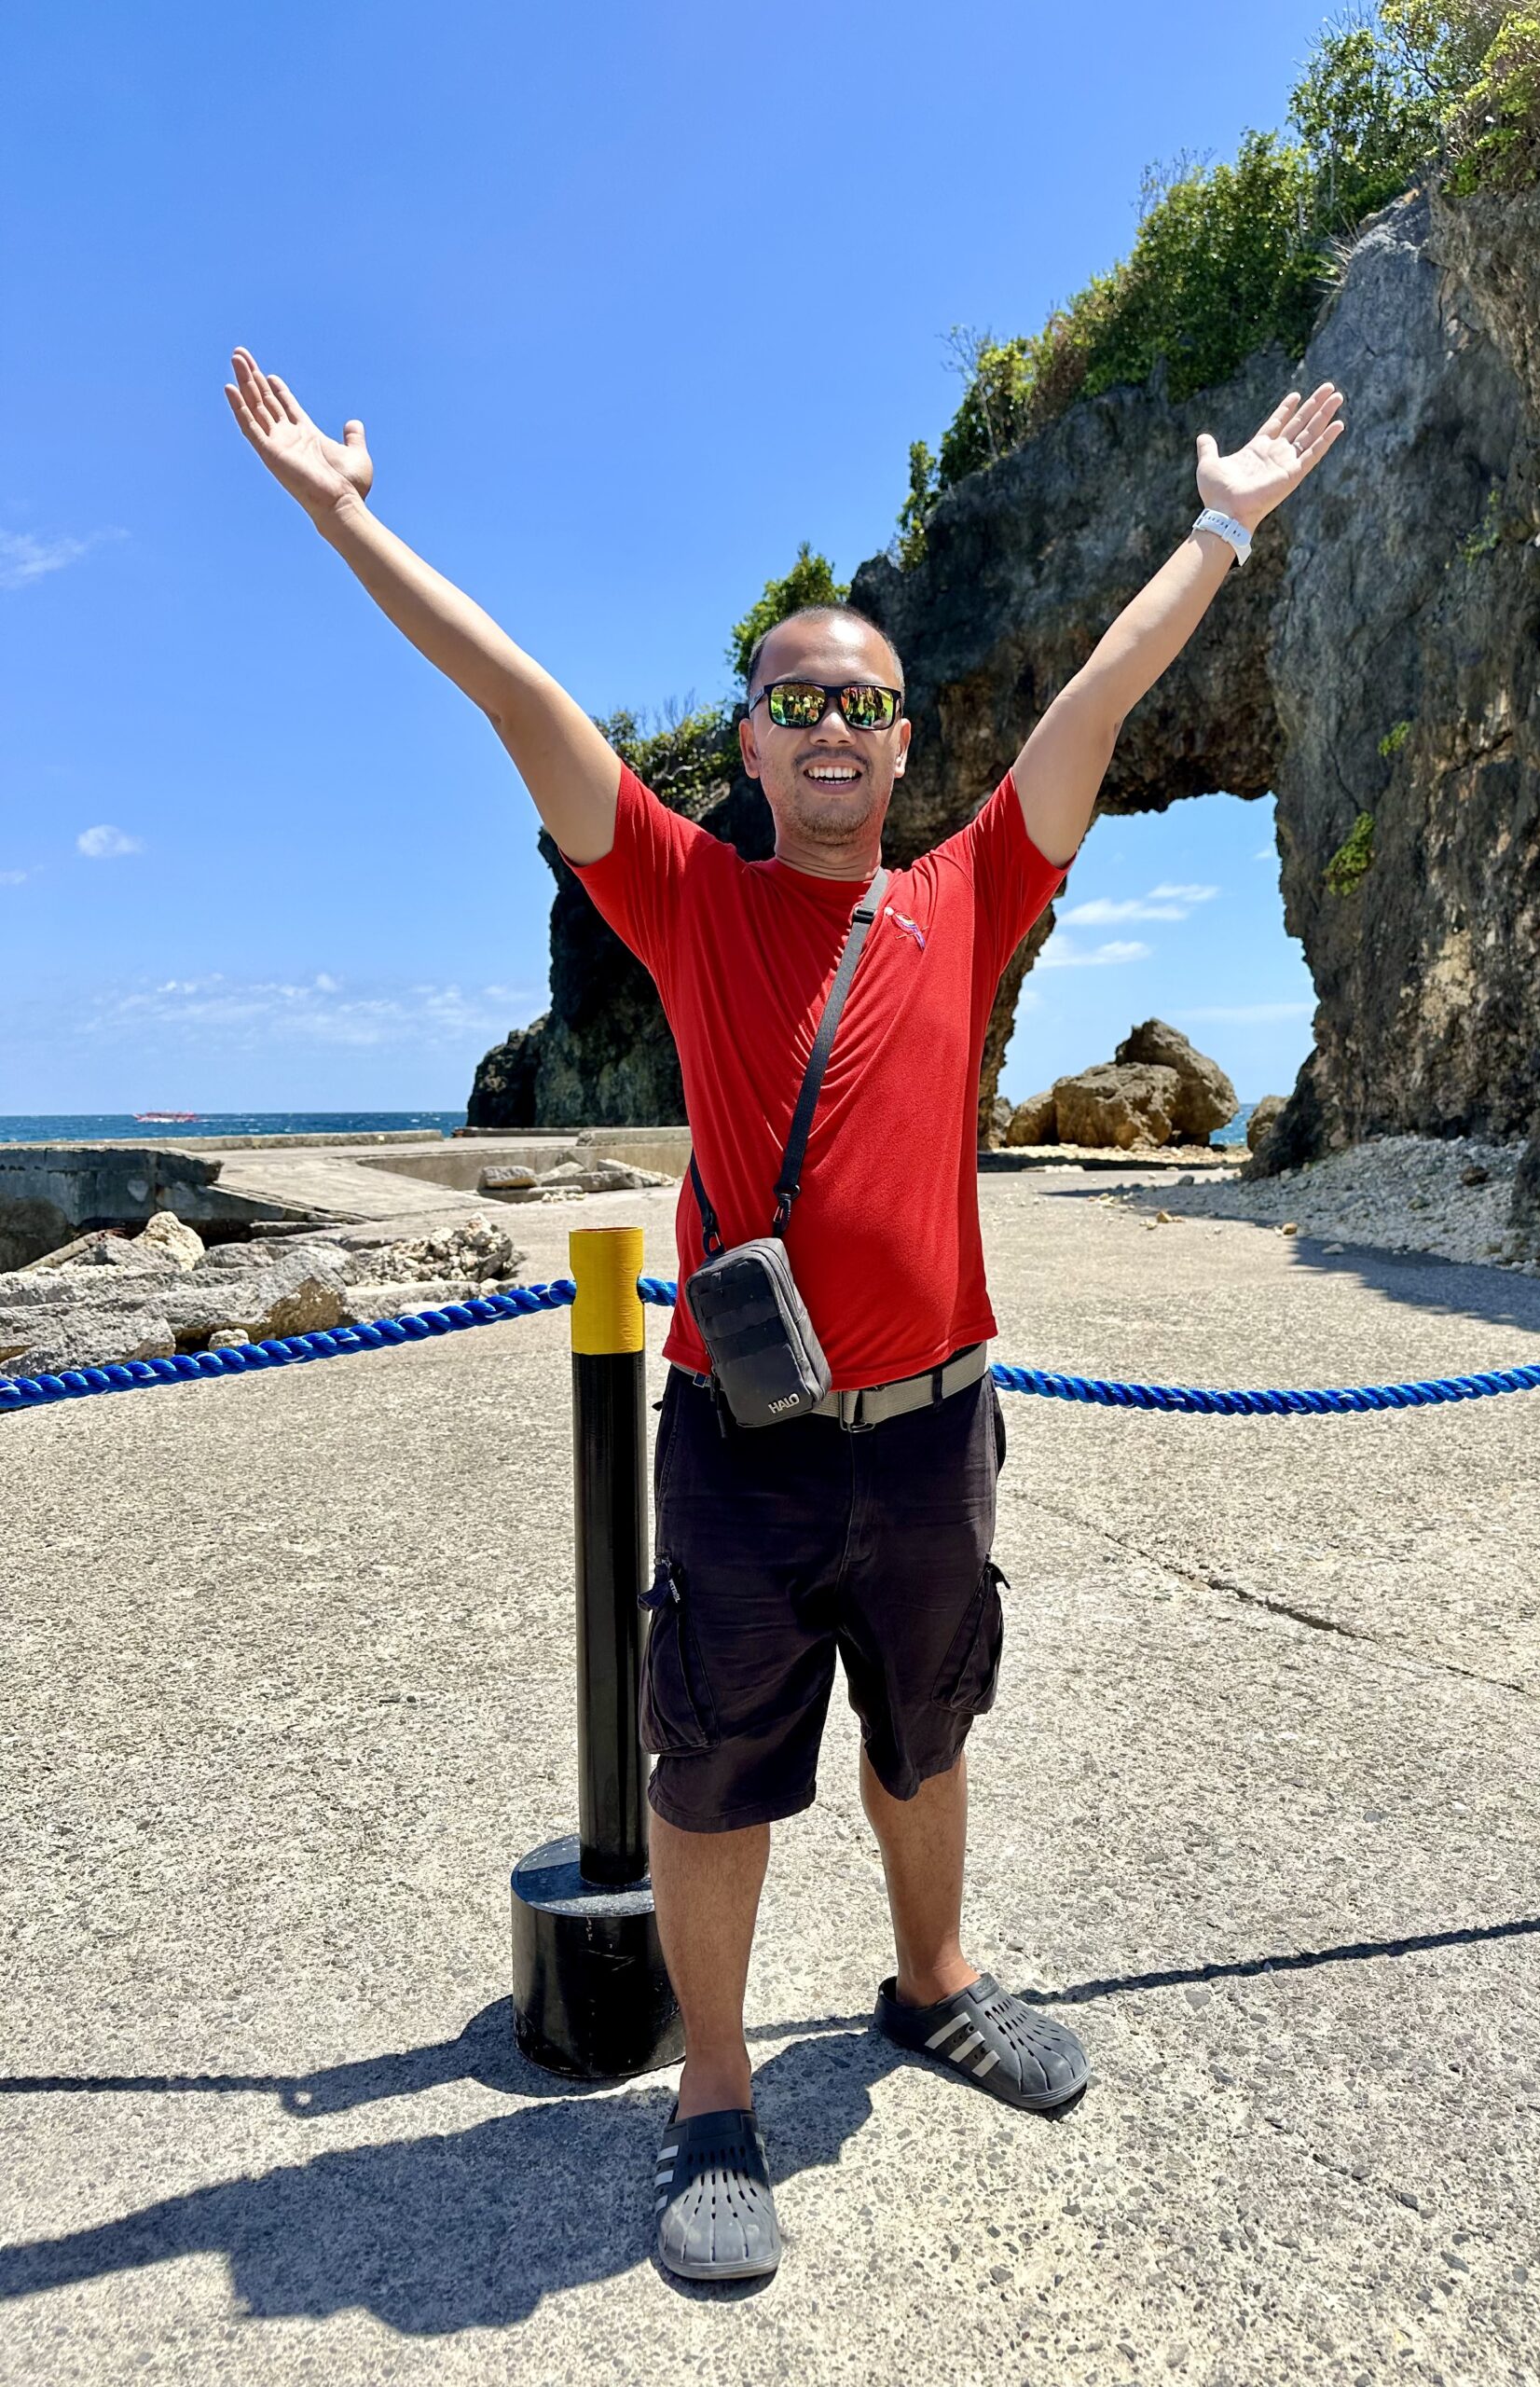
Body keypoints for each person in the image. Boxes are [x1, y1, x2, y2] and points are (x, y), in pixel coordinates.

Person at [226, 345, 1344, 2283]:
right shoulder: (687, 899)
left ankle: (931, 1980)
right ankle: (716, 2092)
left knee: (932, 1722)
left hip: (932, 1426)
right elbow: (520, 694)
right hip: (739, 1442)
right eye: (799, 699)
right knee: (713, 1763)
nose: (836, 726)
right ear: (751, 743)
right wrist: (347, 514)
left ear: (905, 746)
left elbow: (1096, 699)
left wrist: (1224, 525)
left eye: (868, 704)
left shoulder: (972, 890)